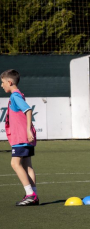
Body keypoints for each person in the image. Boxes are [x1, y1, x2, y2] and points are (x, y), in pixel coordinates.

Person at [1, 69, 38, 206]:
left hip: (21, 137)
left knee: (14, 164)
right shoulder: (18, 95)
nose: (2, 85)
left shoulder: (15, 96)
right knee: (27, 165)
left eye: (3, 82)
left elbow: (28, 110)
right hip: (25, 137)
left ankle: (30, 194)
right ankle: (34, 194)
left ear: (9, 82)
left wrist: (28, 130)